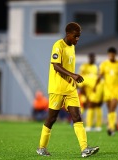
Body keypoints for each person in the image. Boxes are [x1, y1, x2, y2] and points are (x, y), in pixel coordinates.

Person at [36, 22, 99, 157]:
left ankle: (84, 149)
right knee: (51, 119)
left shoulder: (72, 47)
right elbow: (56, 66)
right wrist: (73, 75)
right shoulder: (58, 46)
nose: (77, 39)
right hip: (57, 89)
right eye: (75, 36)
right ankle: (41, 147)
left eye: (79, 37)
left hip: (70, 89)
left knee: (77, 117)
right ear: (68, 34)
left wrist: (73, 80)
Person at [94, 47, 118, 136]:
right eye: (110, 55)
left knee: (113, 107)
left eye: (113, 55)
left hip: (117, 90)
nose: (111, 56)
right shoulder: (104, 64)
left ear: (115, 55)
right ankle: (111, 124)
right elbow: (100, 76)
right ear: (108, 55)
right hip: (107, 90)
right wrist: (95, 86)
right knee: (109, 109)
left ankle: (111, 128)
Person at [79, 53, 103, 132]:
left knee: (94, 106)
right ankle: (79, 122)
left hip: (95, 89)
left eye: (94, 58)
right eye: (92, 58)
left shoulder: (95, 68)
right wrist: (82, 90)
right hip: (87, 89)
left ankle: (92, 126)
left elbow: (97, 79)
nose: (93, 59)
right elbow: (81, 80)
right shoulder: (84, 67)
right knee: (85, 106)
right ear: (89, 58)